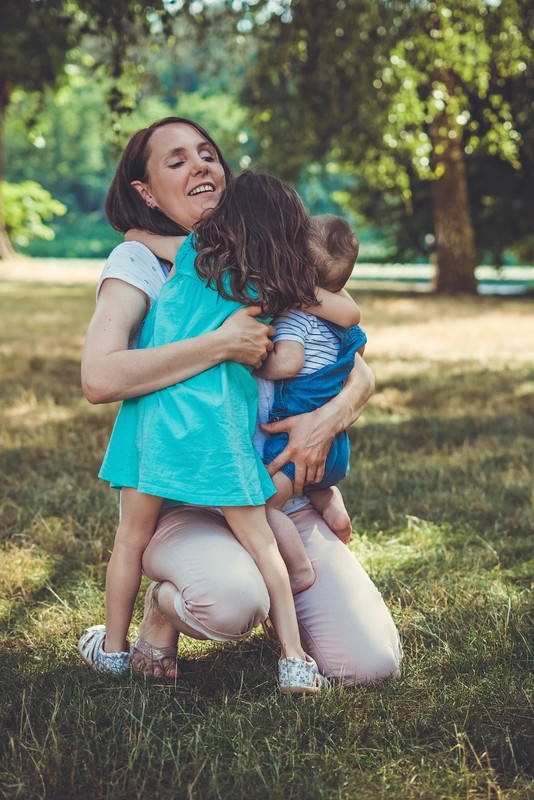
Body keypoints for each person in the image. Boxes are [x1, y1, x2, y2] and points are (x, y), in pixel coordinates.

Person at [78, 116, 402, 685]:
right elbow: (100, 378)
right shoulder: (139, 264)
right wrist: (221, 345)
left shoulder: (273, 253)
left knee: (371, 666)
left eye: (207, 153)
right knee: (229, 604)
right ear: (146, 194)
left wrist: (325, 422)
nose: (200, 165)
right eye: (176, 160)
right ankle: (163, 608)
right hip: (190, 492)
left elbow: (355, 362)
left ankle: (282, 613)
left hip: (276, 496)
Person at [255, 214, 367, 595]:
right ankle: (331, 506)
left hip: (298, 441)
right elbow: (357, 346)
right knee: (315, 483)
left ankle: (299, 569)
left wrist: (254, 360)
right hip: (334, 447)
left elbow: (289, 362)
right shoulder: (339, 321)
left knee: (267, 507)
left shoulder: (296, 316)